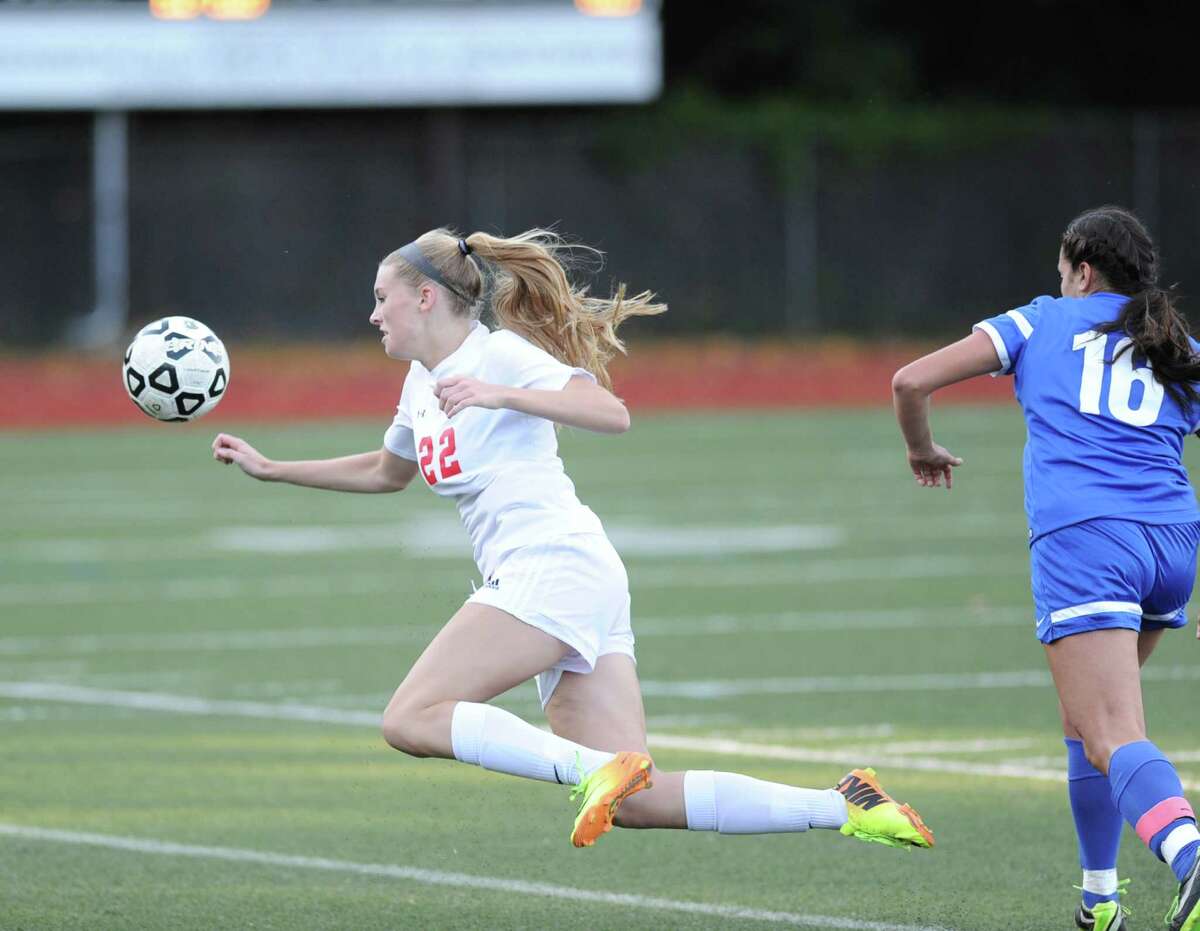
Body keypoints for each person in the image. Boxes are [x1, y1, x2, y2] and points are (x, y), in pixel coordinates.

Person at [213, 226, 933, 855]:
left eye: (382, 297)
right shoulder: (418, 380)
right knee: (639, 800)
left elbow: (609, 412)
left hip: (551, 567)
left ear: (426, 297)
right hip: (573, 576)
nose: (373, 313)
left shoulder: (498, 358)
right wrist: (273, 469)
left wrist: (503, 394)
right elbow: (385, 470)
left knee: (409, 716)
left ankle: (586, 770)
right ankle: (845, 803)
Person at [892, 205, 1200, 931]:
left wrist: (921, 449)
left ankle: (1190, 855)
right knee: (1084, 724)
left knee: (1113, 731)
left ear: (1082, 270)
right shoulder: (1175, 340)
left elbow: (910, 381)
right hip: (1172, 546)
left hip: (1088, 541)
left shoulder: (1037, 321)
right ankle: (1099, 896)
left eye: (1062, 273)